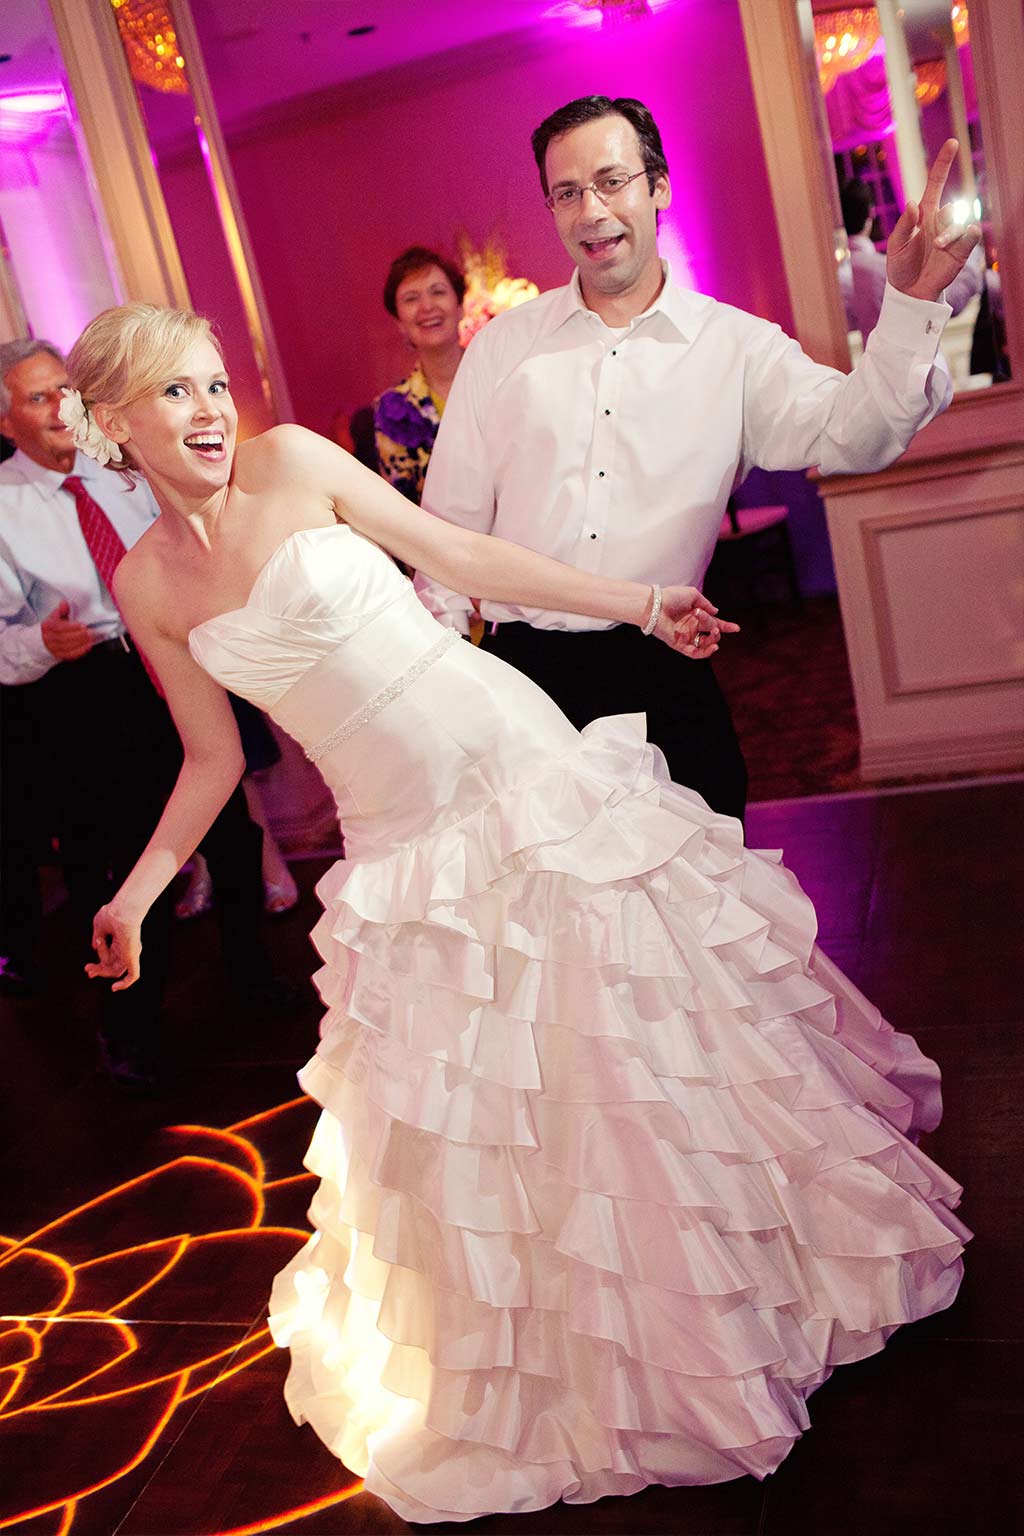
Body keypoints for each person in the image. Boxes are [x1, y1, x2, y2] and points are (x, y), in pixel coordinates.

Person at [71, 301, 967, 1522]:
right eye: (175, 394)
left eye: (215, 382)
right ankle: (581, 1342)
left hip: (508, 767)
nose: (212, 411)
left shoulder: (295, 463)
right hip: (396, 842)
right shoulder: (145, 583)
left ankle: (742, 1279)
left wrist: (641, 602)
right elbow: (210, 761)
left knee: (627, 1039)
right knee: (491, 1100)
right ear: (116, 422)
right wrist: (129, 896)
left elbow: (466, 560)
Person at [415, 98, 982, 824]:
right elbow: (447, 539)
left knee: (698, 918)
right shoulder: (501, 348)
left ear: (658, 187)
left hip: (663, 676)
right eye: (567, 192)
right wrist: (433, 699)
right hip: (522, 681)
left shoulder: (736, 348)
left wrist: (906, 306)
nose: (591, 210)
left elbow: (857, 434)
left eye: (613, 181)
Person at [0, 338, 287, 1082]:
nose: (60, 407)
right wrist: (40, 642)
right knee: (132, 863)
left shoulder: (123, 471)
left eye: (65, 389)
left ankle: (253, 974)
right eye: (37, 397)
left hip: (178, 661)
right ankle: (129, 1033)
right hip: (90, 693)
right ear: (6, 420)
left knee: (229, 834)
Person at [839, 174, 983, 341]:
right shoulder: (883, 270)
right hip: (905, 360)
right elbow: (953, 299)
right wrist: (971, 255)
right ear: (870, 214)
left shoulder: (836, 279)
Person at [373, 246, 465, 503]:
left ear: (460, 306)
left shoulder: (502, 378)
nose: (427, 306)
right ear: (399, 322)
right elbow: (402, 507)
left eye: (437, 292)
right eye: (411, 298)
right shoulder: (393, 410)